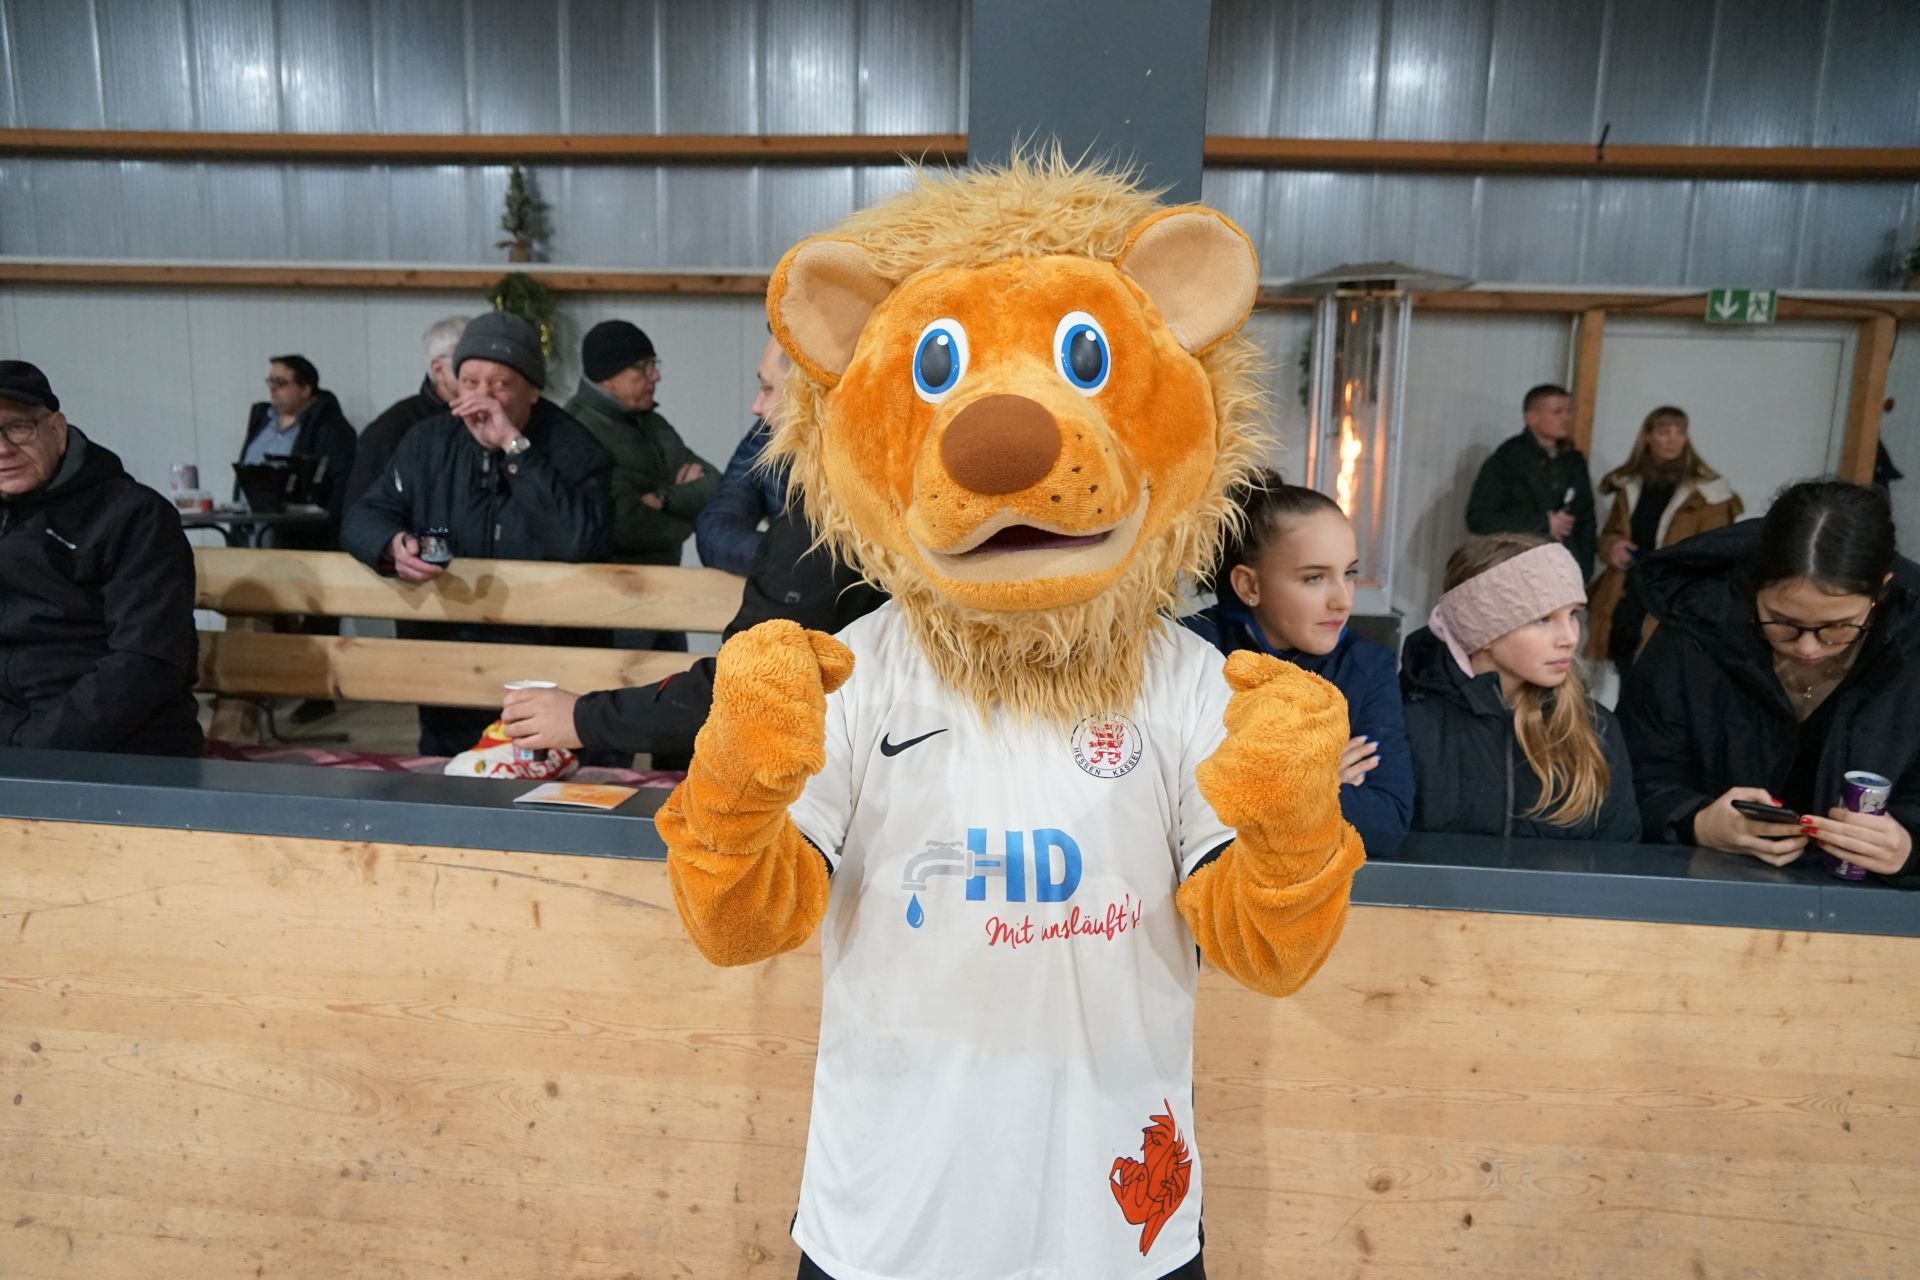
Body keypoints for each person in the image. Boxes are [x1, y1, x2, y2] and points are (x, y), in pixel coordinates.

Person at [341, 311, 614, 755]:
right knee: (448, 778)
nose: (483, 397)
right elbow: (365, 514)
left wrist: (514, 449)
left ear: (533, 390)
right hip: (448, 664)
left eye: (500, 384)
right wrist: (391, 546)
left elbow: (578, 540)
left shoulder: (576, 447)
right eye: (470, 383)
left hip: (547, 671)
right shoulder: (427, 442)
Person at [1620, 481, 1918, 884]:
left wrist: (1908, 848)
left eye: (1838, 627)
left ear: (1881, 590)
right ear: (1753, 584)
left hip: (1867, 909)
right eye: (1782, 622)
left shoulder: (1912, 650)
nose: (1808, 649)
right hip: (1705, 890)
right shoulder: (1695, 630)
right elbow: (1634, 773)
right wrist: (1697, 822)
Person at [499, 503, 887, 768]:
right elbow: (716, 527)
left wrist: (582, 719)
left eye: (769, 395)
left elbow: (747, 691)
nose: (757, 411)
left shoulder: (825, 525)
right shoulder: (836, 513)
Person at [1182, 474, 1413, 855]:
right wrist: (1315, 784)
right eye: (1314, 578)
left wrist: (1248, 785)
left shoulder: (1368, 666)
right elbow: (1177, 809)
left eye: (1349, 573)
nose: (1343, 600)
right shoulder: (1187, 652)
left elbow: (1386, 823)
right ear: (1249, 586)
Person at [0, 360, 201, 757]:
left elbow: (147, 659)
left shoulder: (134, 515)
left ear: (57, 429)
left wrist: (37, 748)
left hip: (116, 741)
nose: (4, 449)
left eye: (18, 428)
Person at [1401, 533, 1639, 840]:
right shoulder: (1407, 724)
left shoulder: (1597, 728)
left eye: (1573, 614)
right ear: (1481, 630)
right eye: (1543, 619)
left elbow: (1620, 853)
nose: (1569, 637)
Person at [1586, 406, 1743, 679]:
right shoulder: (1630, 484)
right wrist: (1612, 547)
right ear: (1648, 437)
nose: (1673, 439)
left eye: (1680, 432)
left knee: (1660, 674)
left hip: (1675, 597)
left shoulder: (1709, 493)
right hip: (1628, 591)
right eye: (1664, 432)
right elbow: (1609, 534)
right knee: (1624, 669)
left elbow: (1717, 551)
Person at [563, 320, 718, 572]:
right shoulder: (577, 431)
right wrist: (690, 516)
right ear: (608, 378)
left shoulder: (652, 424)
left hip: (665, 579)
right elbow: (624, 523)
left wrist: (662, 499)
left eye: (654, 364)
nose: (656, 376)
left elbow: (714, 484)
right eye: (643, 367)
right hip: (609, 584)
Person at [1465, 383, 1597, 579]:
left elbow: (1585, 518)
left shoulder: (1573, 461)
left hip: (1562, 569)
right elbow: (1479, 518)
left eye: (1568, 411)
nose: (1566, 418)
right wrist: (1542, 523)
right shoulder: (1508, 459)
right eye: (1557, 412)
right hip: (1516, 568)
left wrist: (1584, 569)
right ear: (1532, 418)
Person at [343, 314, 470, 507]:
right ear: (439, 369)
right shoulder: (394, 428)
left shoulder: (496, 418)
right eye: (468, 359)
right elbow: (364, 509)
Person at [695, 333, 793, 575]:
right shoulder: (766, 436)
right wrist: (790, 560)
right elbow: (714, 531)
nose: (756, 407)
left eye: (768, 389)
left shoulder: (872, 452)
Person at [239, 354, 357, 540]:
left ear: (305, 389)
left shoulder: (330, 428)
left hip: (299, 535)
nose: (272, 388)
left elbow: (342, 484)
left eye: (281, 382)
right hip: (251, 530)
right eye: (270, 381)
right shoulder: (261, 420)